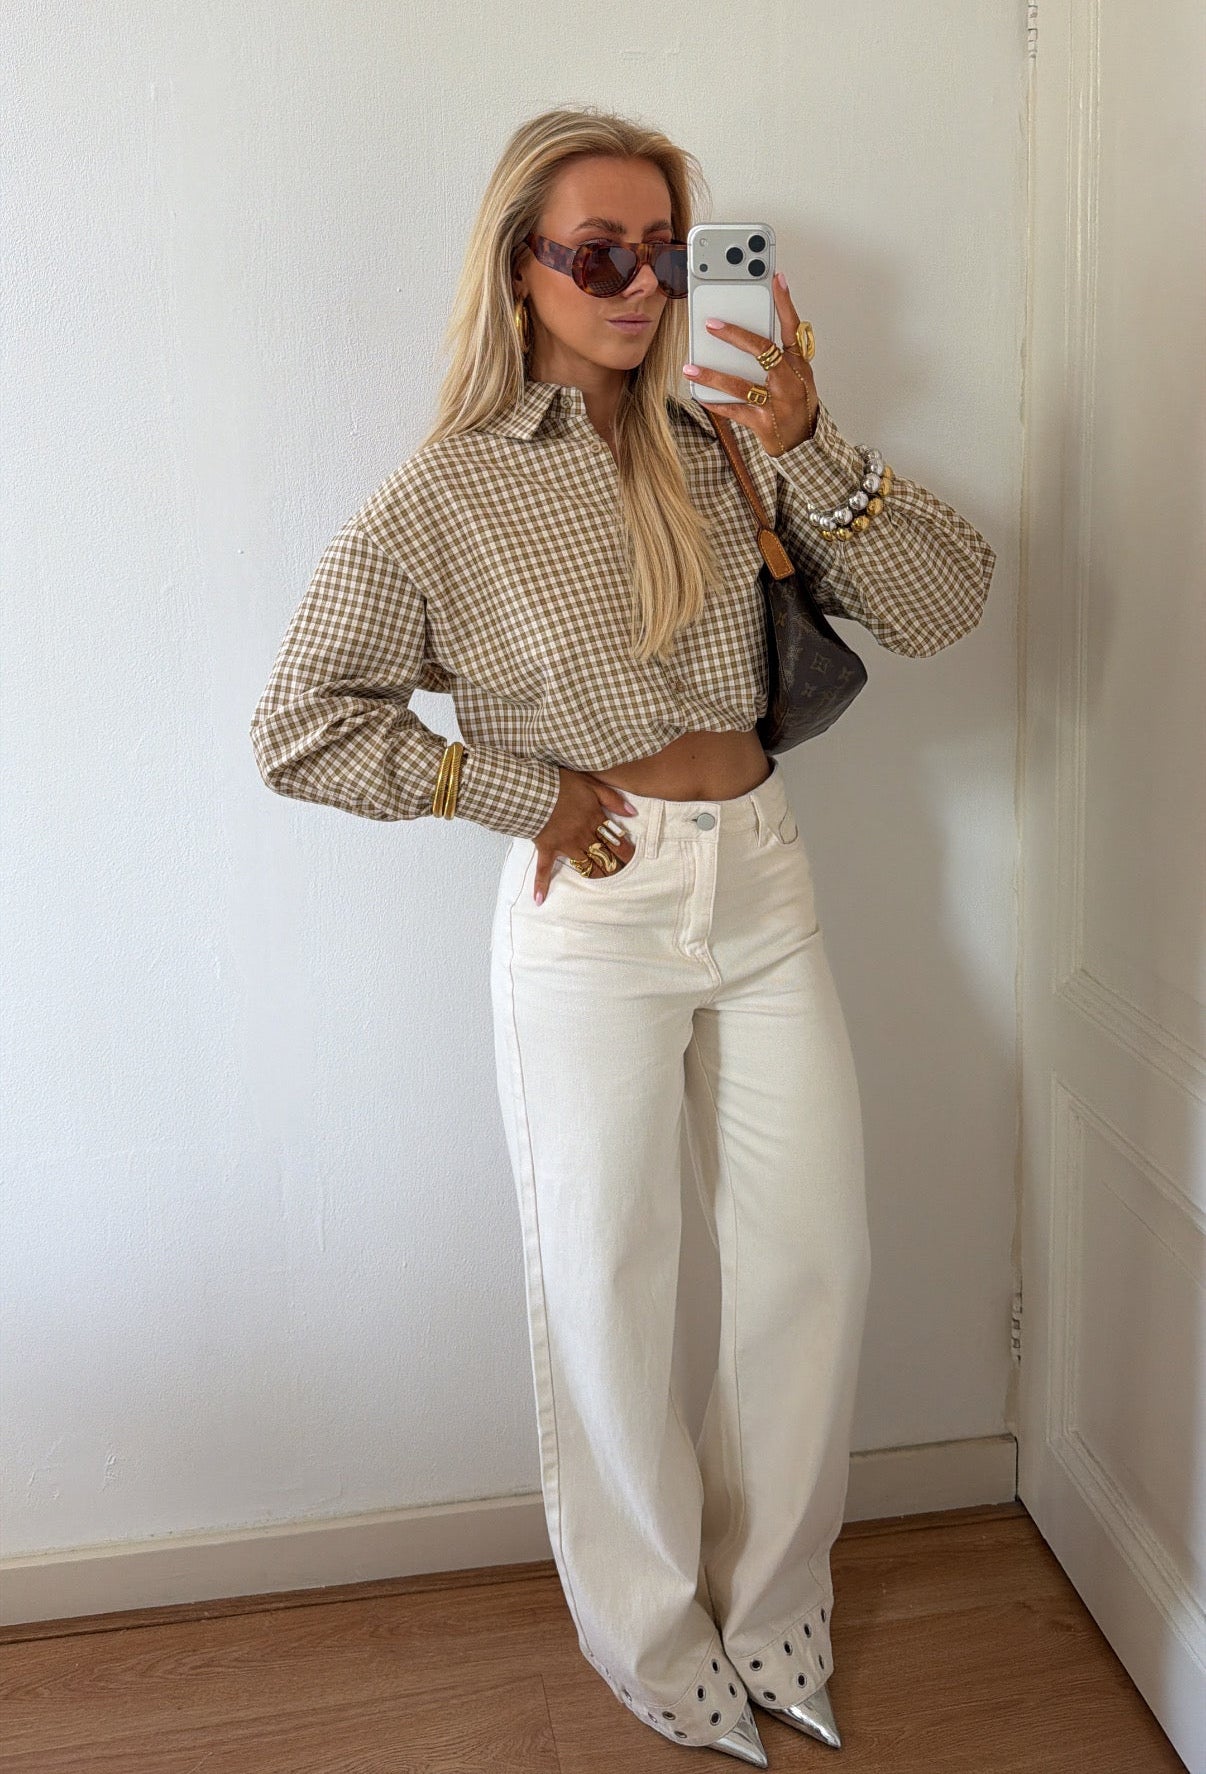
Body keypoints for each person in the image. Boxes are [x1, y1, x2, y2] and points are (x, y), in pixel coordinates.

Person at [250, 106, 996, 1766]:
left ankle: (776, 1600)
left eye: (665, 250)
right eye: (599, 255)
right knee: (607, 1280)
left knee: (813, 1257)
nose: (643, 284)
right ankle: (651, 1632)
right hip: (591, 909)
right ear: (518, 271)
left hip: (765, 882)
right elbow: (299, 723)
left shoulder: (732, 436)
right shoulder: (447, 494)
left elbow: (949, 605)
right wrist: (512, 790)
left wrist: (810, 439)